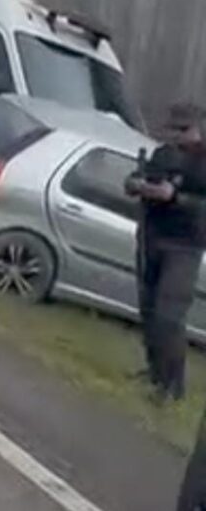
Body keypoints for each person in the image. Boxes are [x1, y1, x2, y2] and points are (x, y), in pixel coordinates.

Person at [126, 102, 206, 403]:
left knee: (169, 314)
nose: (177, 135)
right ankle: (155, 372)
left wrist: (176, 198)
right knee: (148, 311)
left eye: (183, 129)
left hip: (184, 246)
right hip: (152, 238)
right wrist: (136, 184)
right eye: (174, 129)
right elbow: (135, 179)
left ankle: (173, 387)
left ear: (198, 127)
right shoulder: (162, 155)